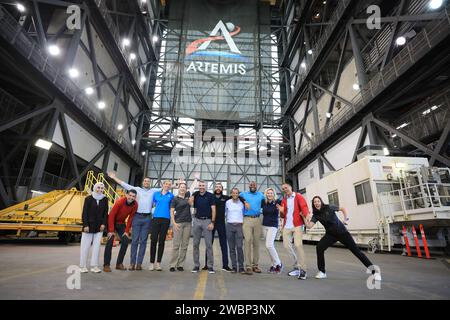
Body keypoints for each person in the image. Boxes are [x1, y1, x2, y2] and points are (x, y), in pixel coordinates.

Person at [305, 196, 382, 281]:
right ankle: (322, 272)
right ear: (313, 204)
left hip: (342, 232)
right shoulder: (316, 215)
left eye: (318, 201)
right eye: (315, 202)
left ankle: (375, 272)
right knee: (319, 247)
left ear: (321, 202)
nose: (317, 203)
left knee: (357, 252)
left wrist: (345, 219)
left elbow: (342, 209)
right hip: (330, 235)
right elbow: (309, 226)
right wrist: (304, 217)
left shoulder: (329, 207)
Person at [108, 172, 160, 271]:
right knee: (135, 241)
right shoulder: (136, 189)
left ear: (150, 183)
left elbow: (165, 188)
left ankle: (139, 264)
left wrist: (176, 185)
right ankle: (132, 263)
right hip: (137, 217)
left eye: (148, 181)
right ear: (143, 182)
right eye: (145, 181)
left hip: (147, 218)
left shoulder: (153, 191)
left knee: (143, 241)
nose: (146, 182)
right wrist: (114, 177)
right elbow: (124, 184)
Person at [279, 183, 309, 280]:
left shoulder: (298, 196)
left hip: (297, 225)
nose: (284, 189)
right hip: (287, 226)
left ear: (290, 187)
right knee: (286, 246)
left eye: (286, 187)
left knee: (298, 245)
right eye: (283, 189)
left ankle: (303, 269)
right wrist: (281, 211)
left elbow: (304, 206)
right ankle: (296, 266)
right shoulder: (284, 200)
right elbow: (283, 215)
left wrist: (307, 214)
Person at [103, 189, 138, 272]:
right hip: (111, 221)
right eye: (130, 195)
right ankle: (106, 265)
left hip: (121, 223)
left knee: (125, 241)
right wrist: (111, 231)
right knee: (110, 240)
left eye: (133, 196)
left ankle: (119, 264)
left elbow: (131, 218)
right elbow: (111, 215)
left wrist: (126, 231)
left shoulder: (135, 205)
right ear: (126, 195)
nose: (131, 197)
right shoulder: (120, 202)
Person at [202, 183, 233, 272]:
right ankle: (207, 265)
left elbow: (236, 197)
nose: (218, 188)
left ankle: (225, 265)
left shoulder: (226, 198)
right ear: (214, 188)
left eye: (220, 187)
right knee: (209, 244)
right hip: (211, 222)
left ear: (222, 188)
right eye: (217, 187)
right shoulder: (210, 197)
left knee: (223, 244)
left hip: (221, 223)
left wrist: (244, 201)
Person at [80, 182, 108, 273]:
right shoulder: (88, 198)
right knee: (85, 246)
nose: (100, 190)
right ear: (95, 188)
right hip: (88, 226)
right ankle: (82, 266)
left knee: (97, 247)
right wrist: (85, 225)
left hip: (99, 227)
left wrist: (103, 224)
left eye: (102, 188)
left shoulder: (105, 199)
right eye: (98, 188)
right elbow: (84, 213)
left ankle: (94, 266)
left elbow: (105, 213)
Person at [189, 180, 216, 274]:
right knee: (195, 244)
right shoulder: (195, 194)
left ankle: (210, 266)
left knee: (209, 245)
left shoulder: (210, 196)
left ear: (206, 186)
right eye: (200, 185)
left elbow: (213, 209)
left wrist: (212, 222)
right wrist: (192, 195)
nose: (201, 187)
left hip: (207, 221)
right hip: (197, 221)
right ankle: (196, 265)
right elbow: (190, 203)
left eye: (203, 186)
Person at [240, 181, 265, 275]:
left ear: (256, 186)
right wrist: (244, 202)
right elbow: (236, 196)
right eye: (251, 185)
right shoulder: (244, 194)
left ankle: (255, 265)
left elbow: (268, 201)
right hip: (247, 219)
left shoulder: (261, 195)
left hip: (258, 219)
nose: (252, 186)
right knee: (247, 241)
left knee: (256, 243)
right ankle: (248, 266)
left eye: (254, 185)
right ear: (248, 186)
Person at [149, 180, 174, 271]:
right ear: (162, 185)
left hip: (166, 219)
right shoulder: (156, 194)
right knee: (153, 240)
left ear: (170, 186)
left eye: (169, 185)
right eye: (166, 184)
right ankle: (152, 263)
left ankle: (158, 263)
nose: (167, 185)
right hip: (156, 218)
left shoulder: (171, 196)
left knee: (162, 241)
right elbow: (153, 204)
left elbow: (173, 207)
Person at [169, 182, 191, 272]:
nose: (182, 189)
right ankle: (172, 265)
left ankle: (180, 264)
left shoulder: (187, 196)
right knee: (176, 245)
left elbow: (192, 187)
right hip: (178, 223)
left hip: (188, 223)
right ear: (179, 188)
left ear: (186, 189)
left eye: (184, 187)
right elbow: (172, 211)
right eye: (181, 187)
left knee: (185, 245)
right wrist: (173, 223)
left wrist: (196, 179)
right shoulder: (175, 199)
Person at [261, 188, 283, 274]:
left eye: (271, 193)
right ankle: (274, 265)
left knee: (269, 245)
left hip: (273, 226)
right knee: (268, 247)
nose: (269, 194)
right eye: (268, 193)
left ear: (274, 194)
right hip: (264, 225)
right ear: (266, 194)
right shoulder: (264, 202)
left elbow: (283, 210)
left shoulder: (278, 202)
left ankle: (278, 263)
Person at [225, 188, 246, 274]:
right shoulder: (227, 202)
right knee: (231, 248)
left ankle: (241, 267)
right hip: (229, 225)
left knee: (239, 247)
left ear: (238, 194)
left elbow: (245, 213)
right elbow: (225, 213)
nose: (235, 194)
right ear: (231, 194)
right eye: (233, 193)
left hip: (239, 226)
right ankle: (234, 267)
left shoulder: (242, 203)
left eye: (236, 193)